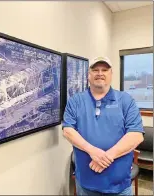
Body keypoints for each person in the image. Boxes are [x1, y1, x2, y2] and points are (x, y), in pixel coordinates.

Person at [62, 56, 144, 195]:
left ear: (111, 74)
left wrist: (106, 157)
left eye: (104, 70)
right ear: (89, 75)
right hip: (85, 184)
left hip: (119, 187)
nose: (100, 73)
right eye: (95, 70)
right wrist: (92, 151)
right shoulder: (75, 101)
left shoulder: (126, 100)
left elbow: (136, 135)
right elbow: (68, 130)